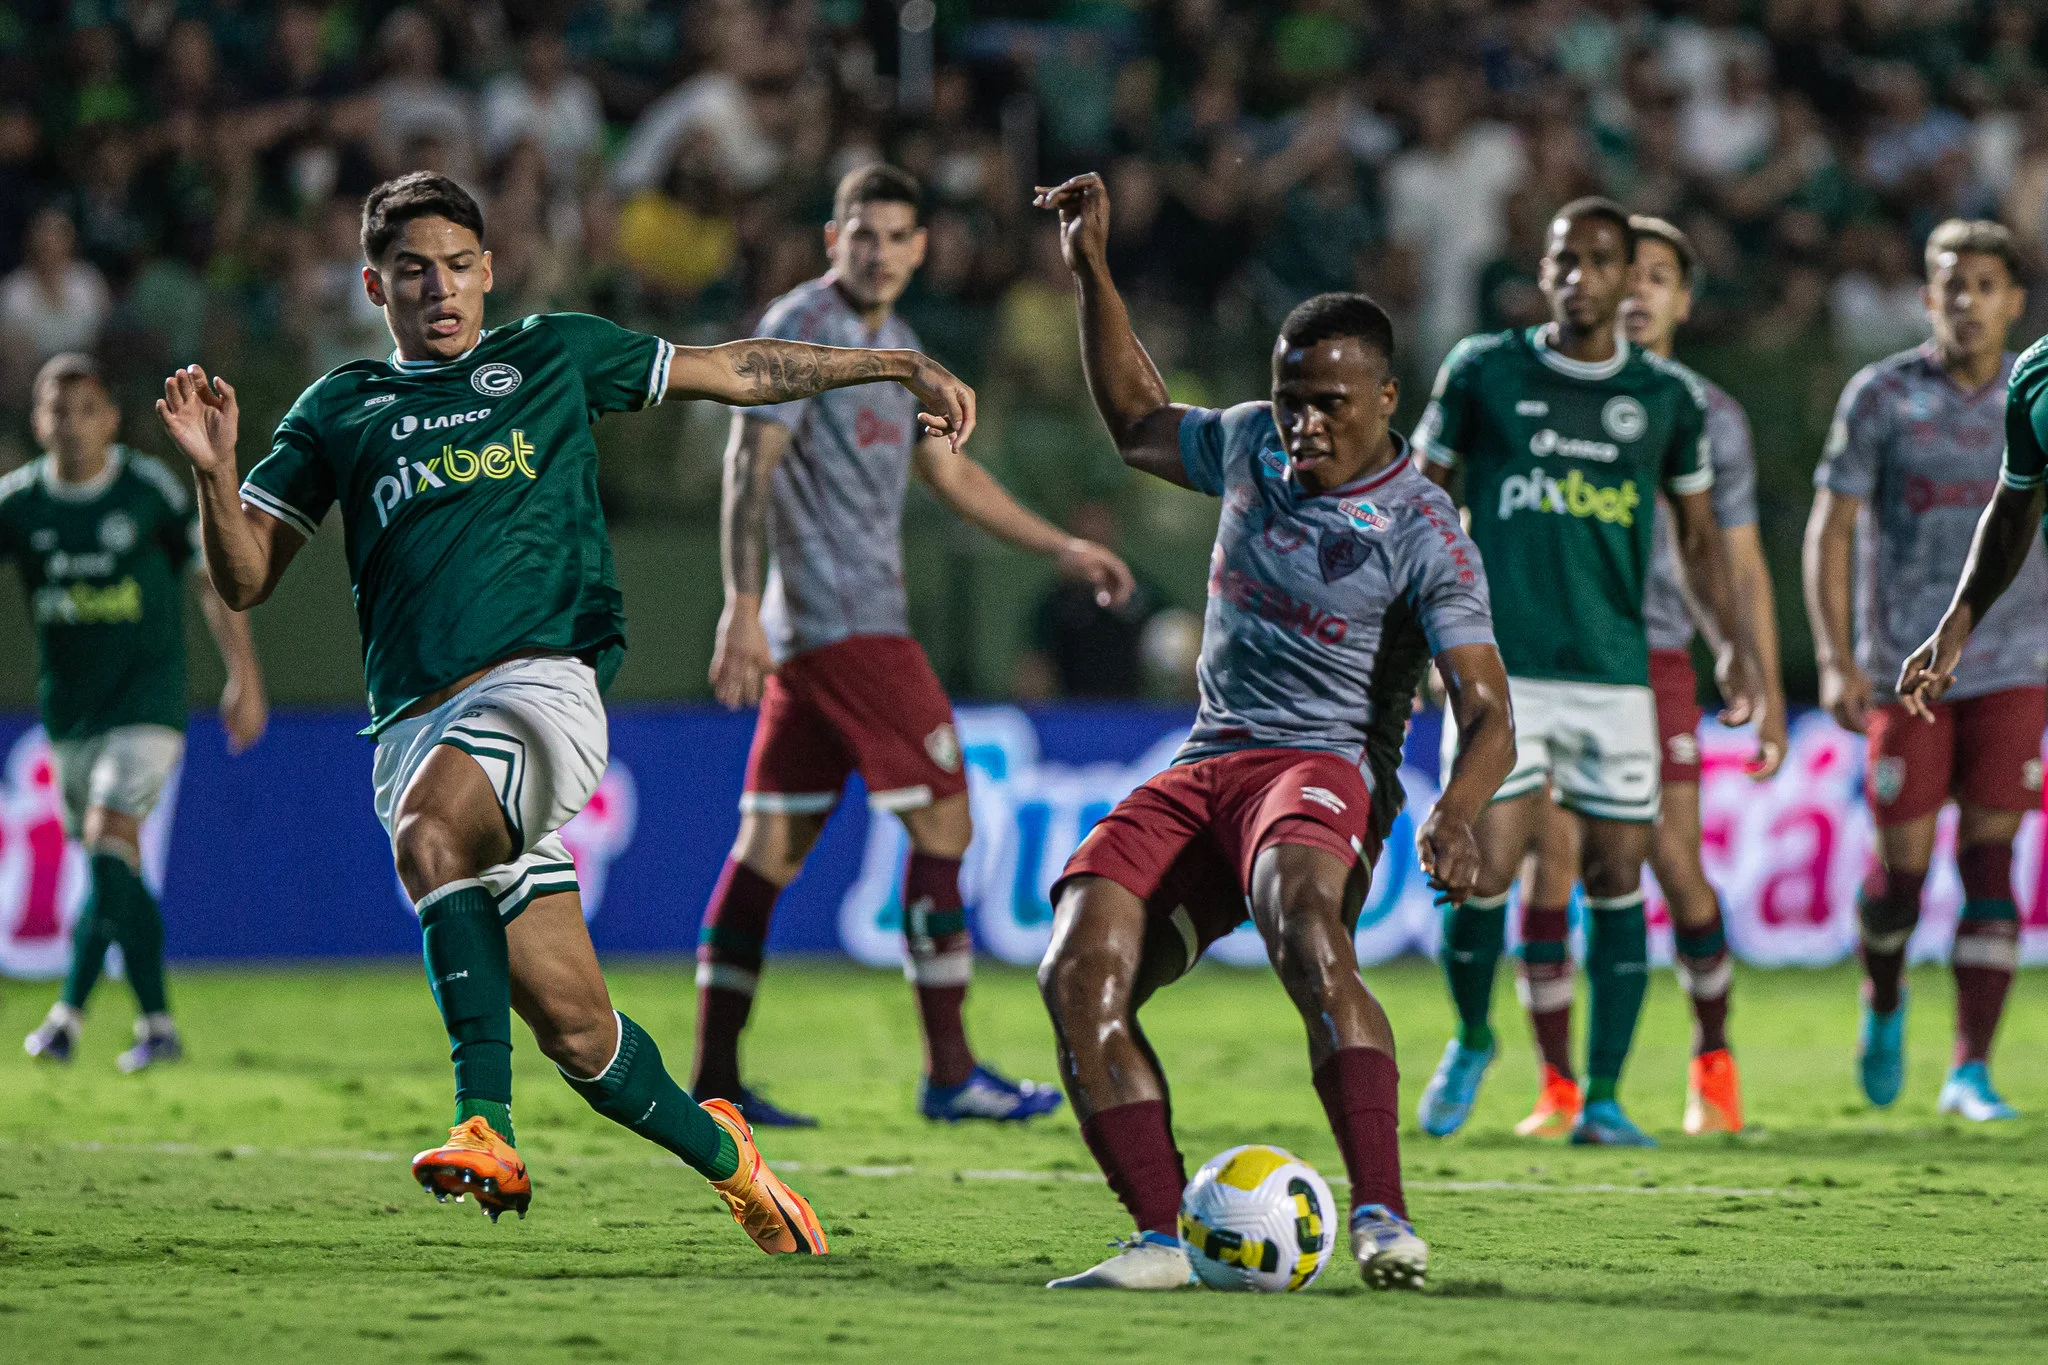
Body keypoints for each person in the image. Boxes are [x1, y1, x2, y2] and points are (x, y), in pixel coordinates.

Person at [154, 170, 975, 1246]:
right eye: (412, 272)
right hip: (412, 731)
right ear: (374, 285)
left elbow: (736, 369)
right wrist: (216, 476)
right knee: (581, 1037)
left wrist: (896, 361)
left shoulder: (550, 353)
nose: (439, 289)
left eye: (457, 266)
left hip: (540, 693)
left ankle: (480, 1124)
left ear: (489, 272)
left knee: (432, 832)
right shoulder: (338, 410)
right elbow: (248, 575)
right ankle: (736, 1165)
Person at [1031, 171, 1516, 1292]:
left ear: (1386, 399)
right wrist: (1092, 268)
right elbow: (1141, 427)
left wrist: (1454, 811)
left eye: (1330, 403)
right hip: (1205, 760)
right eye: (1290, 396)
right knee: (1075, 970)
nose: (1303, 421)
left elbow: (1486, 706)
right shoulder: (1249, 444)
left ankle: (1384, 1218)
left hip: (1319, 765)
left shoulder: (1422, 527)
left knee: (1304, 925)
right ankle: (1158, 1237)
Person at [697, 165, 1133, 1127]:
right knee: (945, 825)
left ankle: (714, 1079)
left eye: (897, 236)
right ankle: (951, 1071)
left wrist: (1059, 546)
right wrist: (738, 602)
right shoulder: (799, 327)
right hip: (842, 623)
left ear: (921, 247)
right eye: (863, 233)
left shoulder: (898, 346)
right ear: (831, 237)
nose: (879, 251)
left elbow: (951, 476)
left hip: (819, 639)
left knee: (766, 849)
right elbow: (747, 464)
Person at [1412, 198, 1766, 1147]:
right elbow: (1421, 504)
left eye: (1601, 262)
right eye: (1565, 259)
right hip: (1503, 670)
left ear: (1623, 277)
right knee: (1482, 864)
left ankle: (1603, 1097)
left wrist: (1729, 641)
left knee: (1618, 876)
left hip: (1618, 675)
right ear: (1545, 268)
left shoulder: (1667, 400)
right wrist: (1415, 637)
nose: (1582, 277)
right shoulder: (1484, 370)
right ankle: (1476, 1034)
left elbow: (1696, 539)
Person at [1509, 217, 1787, 1141]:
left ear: (1683, 298)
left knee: (1670, 860)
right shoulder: (1545, 389)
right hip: (1554, 656)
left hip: (1656, 654)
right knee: (1551, 860)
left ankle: (1713, 1057)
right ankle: (1558, 1084)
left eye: (1660, 276)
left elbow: (1736, 559)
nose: (1637, 291)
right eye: (1630, 272)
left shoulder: (1705, 411)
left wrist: (1759, 674)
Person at [1810, 218, 2043, 1121]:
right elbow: (1831, 527)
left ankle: (1970, 1069)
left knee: (1993, 859)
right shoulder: (1881, 396)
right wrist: (1834, 657)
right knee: (1900, 877)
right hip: (1907, 671)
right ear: (1927, 296)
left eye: (1987, 284)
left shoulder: (2034, 392)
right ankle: (1883, 995)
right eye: (1952, 283)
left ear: (2014, 301)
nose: (1968, 300)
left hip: (2018, 661)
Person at [10, 353, 267, 1071]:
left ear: (111, 419)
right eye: (57, 410)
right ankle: (123, 1020)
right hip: (70, 714)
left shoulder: (148, 491)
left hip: (148, 704)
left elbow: (216, 578)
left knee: (106, 834)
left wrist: (243, 673)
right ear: (37, 421)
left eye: (85, 409)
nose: (70, 424)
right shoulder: (21, 503)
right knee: (110, 861)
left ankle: (99, 1015)